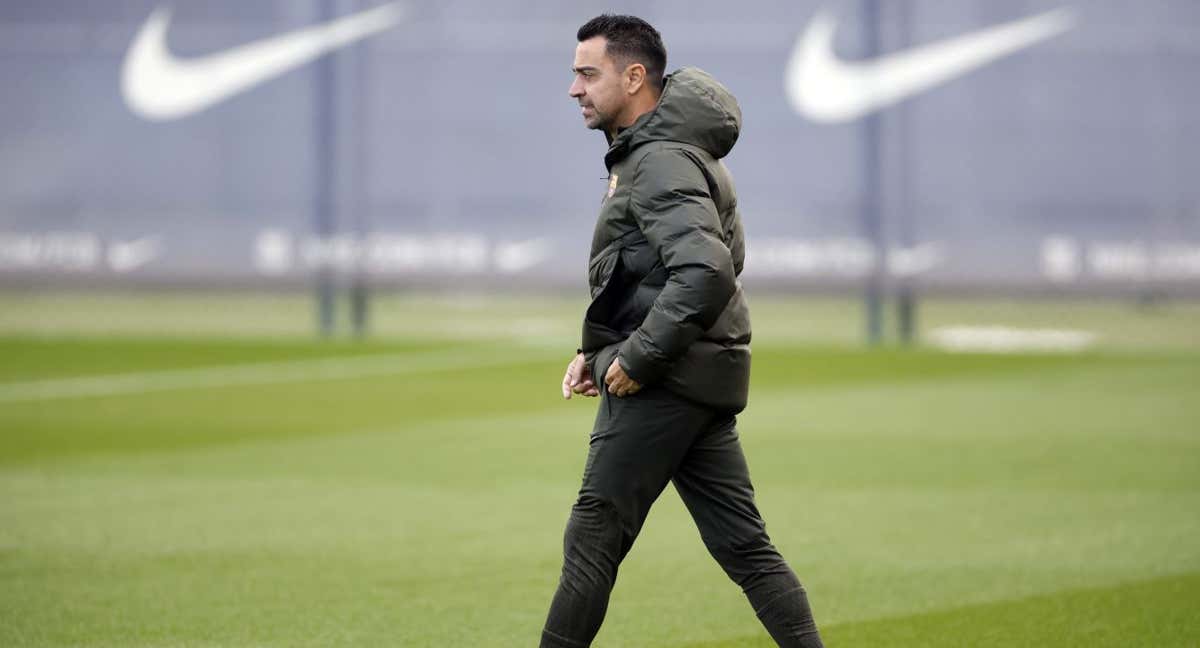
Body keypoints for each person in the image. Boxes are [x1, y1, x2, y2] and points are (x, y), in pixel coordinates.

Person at [540, 14, 824, 648]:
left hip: (665, 381)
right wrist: (596, 350)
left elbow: (704, 272)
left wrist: (637, 358)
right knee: (745, 548)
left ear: (634, 76)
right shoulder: (657, 155)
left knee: (592, 538)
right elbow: (645, 270)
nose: (574, 89)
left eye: (588, 73)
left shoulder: (659, 160)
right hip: (699, 373)